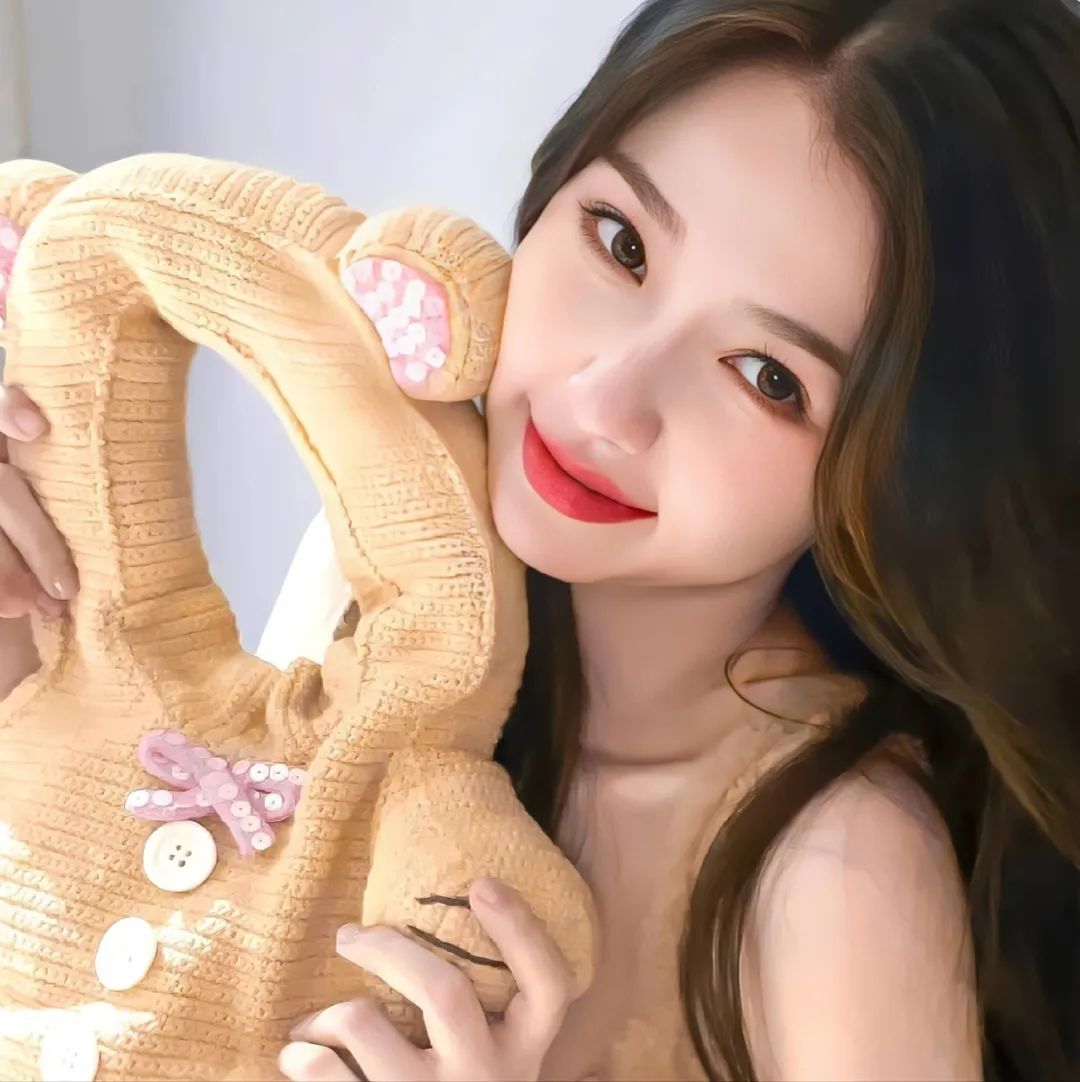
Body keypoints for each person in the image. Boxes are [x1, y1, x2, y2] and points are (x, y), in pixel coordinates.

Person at [2, 0, 1078, 1078]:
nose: (607, 402)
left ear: (904, 471)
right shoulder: (367, 580)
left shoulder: (838, 873)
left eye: (768, 377)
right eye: (622, 243)